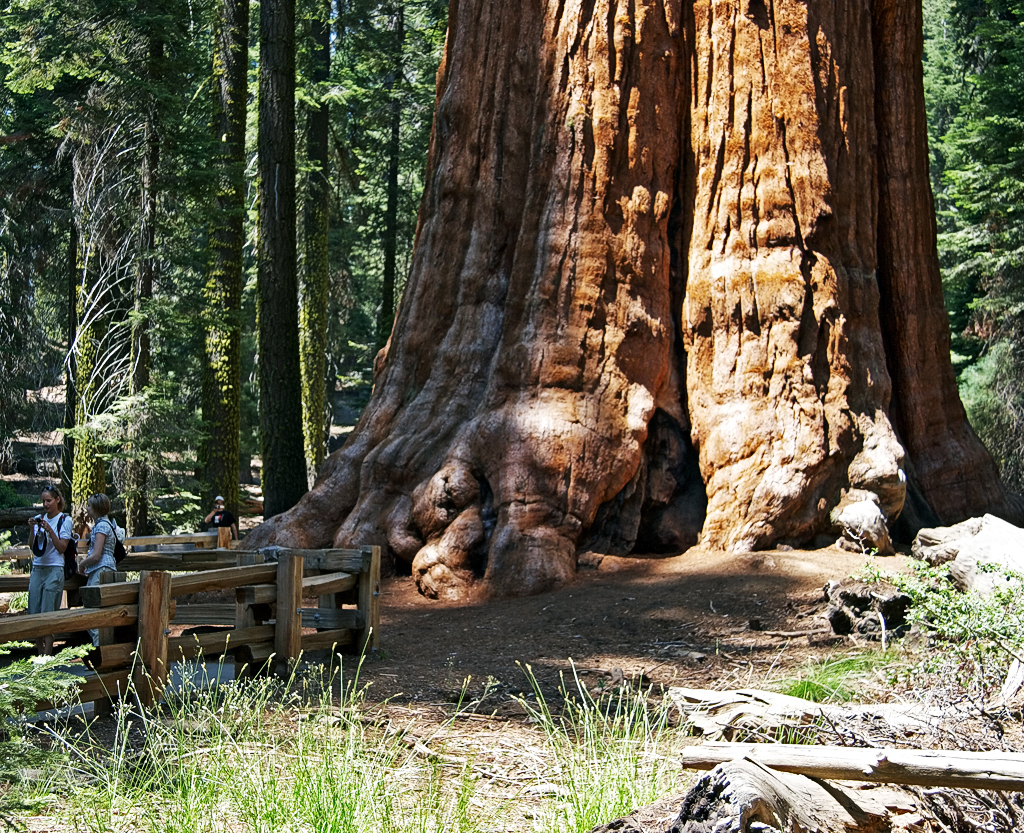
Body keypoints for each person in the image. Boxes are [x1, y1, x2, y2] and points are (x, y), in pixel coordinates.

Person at [26, 485, 73, 655]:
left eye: (48, 500)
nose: (45, 504)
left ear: (57, 500)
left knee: (48, 613)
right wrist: (33, 528)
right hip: (38, 568)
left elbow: (62, 548)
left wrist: (50, 530)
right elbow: (32, 546)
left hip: (55, 569)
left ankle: (47, 656)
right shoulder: (40, 518)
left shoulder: (64, 520)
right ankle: (40, 654)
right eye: (43, 501)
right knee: (35, 613)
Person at [78, 493, 119, 647]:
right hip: (105, 568)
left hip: (102, 569)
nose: (87, 509)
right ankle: (103, 648)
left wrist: (82, 564)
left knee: (90, 610)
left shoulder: (102, 526)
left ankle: (100, 647)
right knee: (98, 611)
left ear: (95, 508)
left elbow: (96, 555)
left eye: (89, 506)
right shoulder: (106, 524)